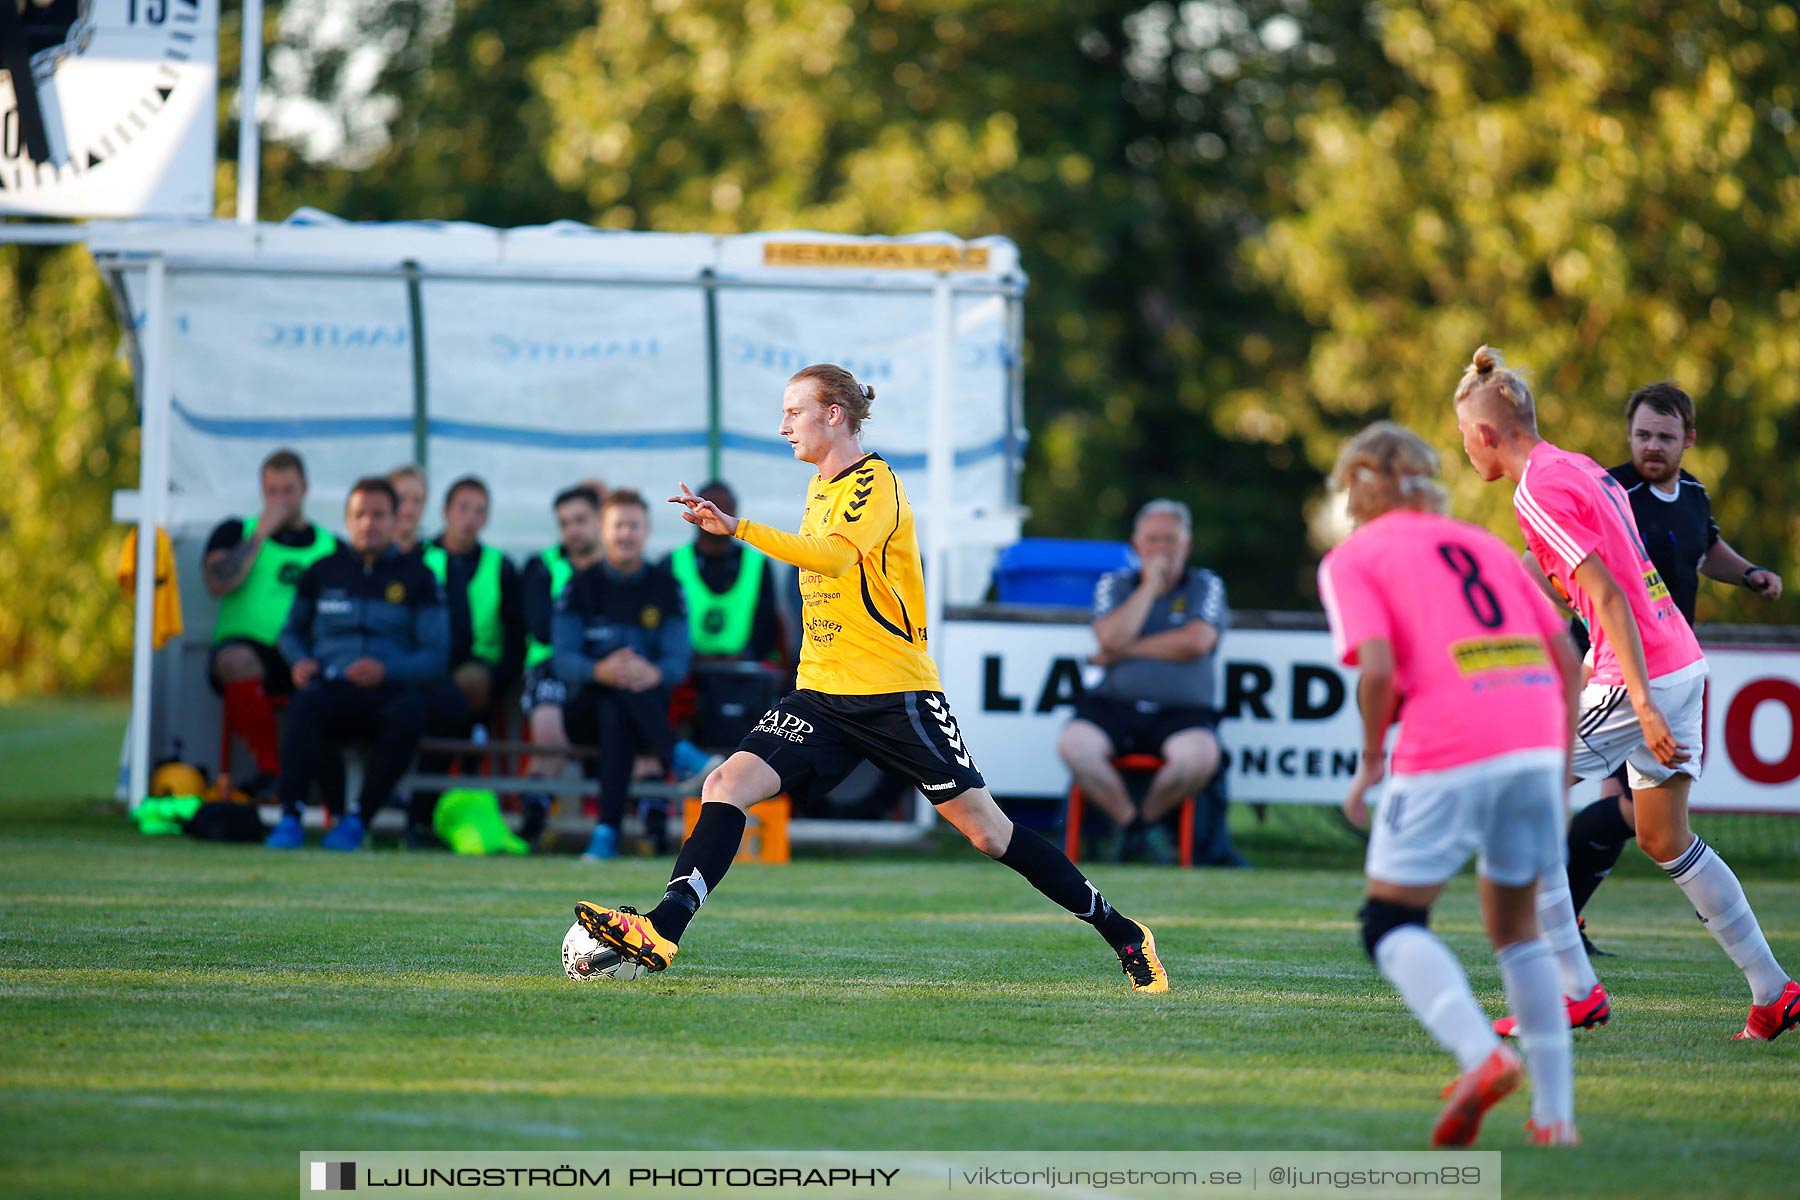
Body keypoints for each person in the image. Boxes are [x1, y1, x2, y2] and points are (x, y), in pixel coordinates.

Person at [572, 364, 1169, 993]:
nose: (782, 427)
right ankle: (664, 928)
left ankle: (1124, 931)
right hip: (822, 696)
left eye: (793, 412)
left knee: (989, 833)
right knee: (724, 783)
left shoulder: (873, 483)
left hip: (895, 695)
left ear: (834, 414)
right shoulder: (819, 487)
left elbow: (831, 557)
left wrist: (738, 528)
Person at [1454, 345, 1798, 1041]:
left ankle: (1573, 992)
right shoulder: (1575, 465)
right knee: (1665, 838)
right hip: (1679, 660)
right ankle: (1774, 990)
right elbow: (1605, 578)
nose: (1465, 448)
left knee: (1515, 800)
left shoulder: (1536, 489)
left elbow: (1608, 592)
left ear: (1484, 434)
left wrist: (1636, 697)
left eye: (1463, 437)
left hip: (1638, 673)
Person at [1321, 421, 1580, 1146]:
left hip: (1449, 744)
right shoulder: (1485, 543)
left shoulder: (1354, 557)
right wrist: (1556, 764)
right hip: (1532, 738)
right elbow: (1566, 656)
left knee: (1390, 922)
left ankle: (1483, 1057)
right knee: (1521, 933)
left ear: (1355, 487)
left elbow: (1376, 669)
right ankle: (1556, 1123)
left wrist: (1371, 763)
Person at [1563, 382, 1784, 952]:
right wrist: (1581, 644)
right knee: (1625, 809)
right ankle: (1557, 921)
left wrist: (1748, 572)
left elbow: (1705, 547)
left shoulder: (1693, 494)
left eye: (1664, 436)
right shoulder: (1611, 493)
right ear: (1629, 434)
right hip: (1611, 670)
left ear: (1689, 439)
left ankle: (1563, 920)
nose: (1651, 446)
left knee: (1647, 824)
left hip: (1666, 673)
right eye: (1642, 435)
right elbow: (1551, 565)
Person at [265, 477, 448, 851]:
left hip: (387, 690)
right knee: (303, 706)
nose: (369, 523)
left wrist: (387, 669)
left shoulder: (420, 576)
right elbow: (290, 633)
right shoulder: (322, 570)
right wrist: (299, 661)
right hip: (332, 685)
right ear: (347, 520)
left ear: (396, 519)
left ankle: (358, 820)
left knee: (410, 712)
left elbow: (435, 655)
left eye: (379, 514)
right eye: (360, 514)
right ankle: (290, 817)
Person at [1055, 498, 1231, 864]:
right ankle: (1132, 828)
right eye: (1153, 540)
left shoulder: (1205, 584)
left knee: (1199, 758)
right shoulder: (1115, 584)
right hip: (1113, 706)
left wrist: (1124, 650)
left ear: (1187, 545)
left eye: (1170, 539)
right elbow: (1108, 638)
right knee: (1075, 745)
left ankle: (1140, 828)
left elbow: (1197, 641)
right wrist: (1149, 589)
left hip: (1183, 712)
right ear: (1136, 546)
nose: (1161, 549)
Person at [553, 490, 692, 860]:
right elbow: (562, 659)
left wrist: (651, 672)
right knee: (613, 692)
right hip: (583, 712)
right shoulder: (579, 586)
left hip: (638, 712)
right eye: (618, 526)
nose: (626, 534)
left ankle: (606, 833)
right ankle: (675, 752)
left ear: (646, 530)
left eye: (633, 526)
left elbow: (678, 663)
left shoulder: (666, 587)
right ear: (602, 530)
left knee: (618, 705)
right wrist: (600, 670)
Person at [203, 449, 337, 797]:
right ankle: (275, 772)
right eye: (272, 491)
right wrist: (261, 534)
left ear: (305, 488)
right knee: (236, 661)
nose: (280, 500)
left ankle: (325, 785)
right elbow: (219, 582)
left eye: (288, 490)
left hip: (305, 654)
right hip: (250, 650)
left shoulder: (330, 547)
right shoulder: (236, 531)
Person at [413, 476, 526, 841]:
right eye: (463, 507)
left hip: (478, 674)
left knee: (462, 690)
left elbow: (514, 636)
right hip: (424, 667)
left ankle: (436, 804)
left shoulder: (500, 566)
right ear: (445, 512)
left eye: (480, 510)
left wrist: (501, 680)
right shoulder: (420, 558)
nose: (471, 517)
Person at [666, 479, 787, 771]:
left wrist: (742, 657)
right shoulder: (672, 563)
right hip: (688, 676)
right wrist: (689, 657)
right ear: (695, 511)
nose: (715, 515)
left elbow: (767, 627)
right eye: (708, 507)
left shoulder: (758, 564)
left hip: (742, 675)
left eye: (724, 509)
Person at [518, 484, 607, 844]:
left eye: (581, 520)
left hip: (601, 674)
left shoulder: (616, 569)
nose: (573, 529)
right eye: (565, 522)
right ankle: (535, 817)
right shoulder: (542, 567)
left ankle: (618, 822)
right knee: (550, 740)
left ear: (600, 520)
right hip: (550, 667)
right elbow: (541, 630)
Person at [388, 464, 428, 557]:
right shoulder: (368, 558)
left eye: (417, 500)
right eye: (401, 499)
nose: (409, 508)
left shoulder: (437, 559)